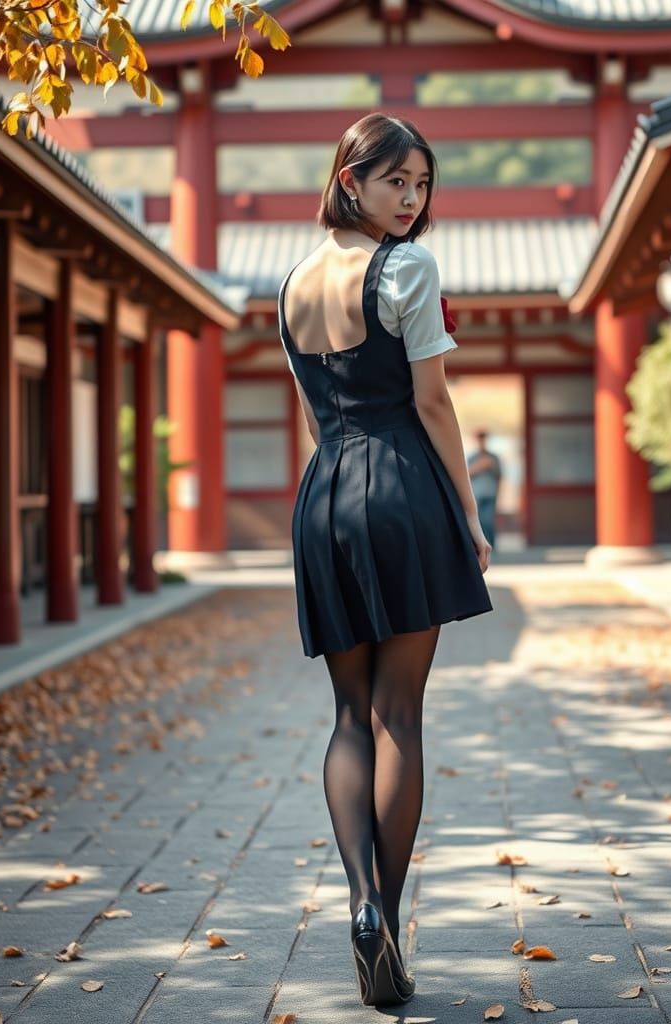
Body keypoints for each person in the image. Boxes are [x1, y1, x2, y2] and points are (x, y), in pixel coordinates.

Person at [277, 113, 493, 1008]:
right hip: (403, 487)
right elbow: (434, 406)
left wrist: (328, 495)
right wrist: (470, 519)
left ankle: (363, 909)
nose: (411, 200)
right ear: (350, 180)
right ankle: (384, 920)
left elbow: (308, 410)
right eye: (395, 182)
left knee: (348, 716)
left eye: (422, 185)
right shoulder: (405, 269)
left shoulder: (291, 283)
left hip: (324, 493)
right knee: (398, 712)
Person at [467, 430, 501, 549]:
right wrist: (480, 466)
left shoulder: (494, 457)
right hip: (476, 494)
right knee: (478, 521)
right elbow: (466, 474)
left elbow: (499, 475)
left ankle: (492, 544)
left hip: (490, 493)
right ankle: (480, 545)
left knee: (488, 520)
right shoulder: (471, 458)